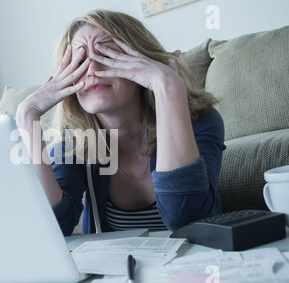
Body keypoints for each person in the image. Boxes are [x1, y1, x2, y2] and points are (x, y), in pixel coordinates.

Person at [16, 9, 225, 236]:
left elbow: (187, 219)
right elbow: (55, 229)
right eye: (81, 62)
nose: (93, 71)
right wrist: (27, 116)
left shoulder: (200, 122)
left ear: (142, 63)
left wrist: (168, 86)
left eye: (106, 55)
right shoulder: (74, 143)